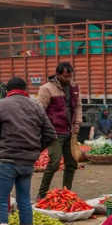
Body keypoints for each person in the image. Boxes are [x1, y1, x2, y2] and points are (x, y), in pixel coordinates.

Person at [0, 77, 55, 225]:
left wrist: (0, 151)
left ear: (7, 91)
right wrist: (36, 150)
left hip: (9, 161)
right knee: (24, 201)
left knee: (0, 201)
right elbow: (50, 134)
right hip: (28, 162)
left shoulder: (0, 105)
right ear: (25, 90)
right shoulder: (36, 106)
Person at [37, 62, 81, 198]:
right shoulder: (47, 88)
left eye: (70, 76)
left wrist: (78, 123)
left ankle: (67, 192)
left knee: (72, 163)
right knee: (54, 163)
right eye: (65, 76)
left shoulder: (74, 87)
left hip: (70, 132)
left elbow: (78, 106)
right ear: (58, 75)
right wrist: (45, 129)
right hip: (55, 132)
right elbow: (40, 110)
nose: (68, 79)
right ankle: (42, 192)